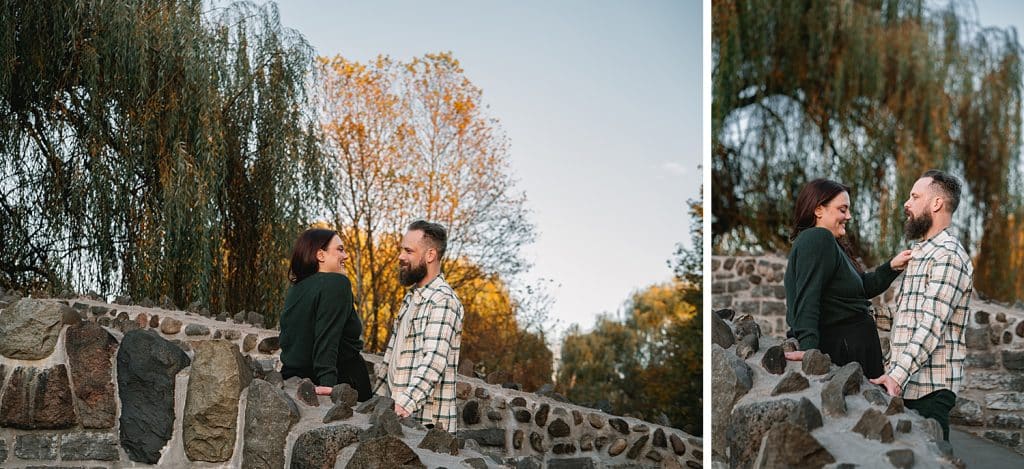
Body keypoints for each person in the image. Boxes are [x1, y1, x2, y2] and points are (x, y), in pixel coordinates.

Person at [870, 170, 973, 442]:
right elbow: (906, 318)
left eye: (915, 196)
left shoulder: (948, 255)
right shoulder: (921, 253)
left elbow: (931, 325)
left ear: (936, 204)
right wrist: (864, 314)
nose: (907, 203)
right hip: (906, 387)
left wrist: (894, 376)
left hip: (929, 393)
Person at [783, 178, 912, 379]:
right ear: (818, 210)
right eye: (843, 210)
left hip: (856, 346)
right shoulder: (817, 238)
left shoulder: (832, 245)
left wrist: (891, 267)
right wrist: (809, 350)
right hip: (845, 348)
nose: (849, 216)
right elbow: (807, 296)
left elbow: (862, 288)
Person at [373, 220, 463, 431]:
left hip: (423, 426)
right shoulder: (411, 298)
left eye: (408, 251)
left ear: (430, 255)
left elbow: (434, 361)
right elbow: (393, 360)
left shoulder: (443, 300)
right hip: (395, 416)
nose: (401, 257)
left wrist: (402, 406)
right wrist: (378, 402)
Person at [279, 228, 372, 401]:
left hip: (296, 379)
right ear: (320, 255)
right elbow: (328, 335)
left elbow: (291, 340)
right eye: (340, 249)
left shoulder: (297, 289)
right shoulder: (337, 283)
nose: (346, 256)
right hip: (344, 380)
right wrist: (329, 384)